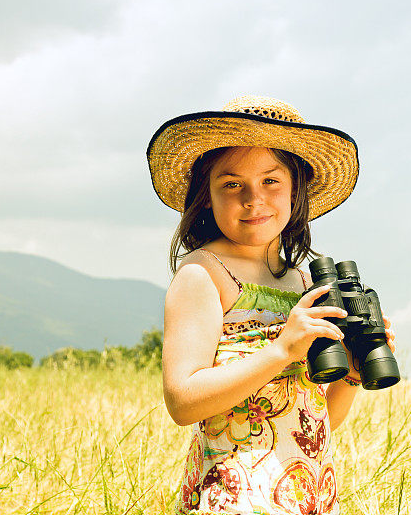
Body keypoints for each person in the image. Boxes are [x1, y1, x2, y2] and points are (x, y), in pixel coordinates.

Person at [146, 95, 396, 514]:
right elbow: (182, 401)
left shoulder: (304, 282)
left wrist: (351, 375)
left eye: (271, 181)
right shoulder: (204, 274)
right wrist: (281, 350)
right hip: (235, 495)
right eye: (232, 184)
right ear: (205, 195)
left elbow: (314, 421)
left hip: (308, 492)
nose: (253, 199)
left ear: (296, 189)